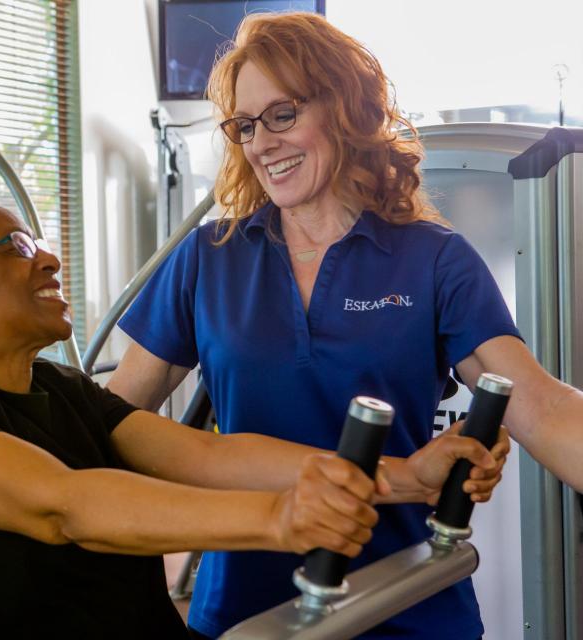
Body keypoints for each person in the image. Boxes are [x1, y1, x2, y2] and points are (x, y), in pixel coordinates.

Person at [106, 11, 570, 640]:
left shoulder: (432, 258)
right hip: (246, 610)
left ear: (345, 108)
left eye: (282, 114)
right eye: (245, 125)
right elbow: (110, 421)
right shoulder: (209, 257)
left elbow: (540, 406)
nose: (262, 142)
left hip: (407, 599)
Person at [0, 189, 504, 639]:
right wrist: (282, 519)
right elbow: (67, 507)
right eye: (15, 246)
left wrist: (408, 477)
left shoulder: (64, 389)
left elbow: (209, 456)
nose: (49, 258)